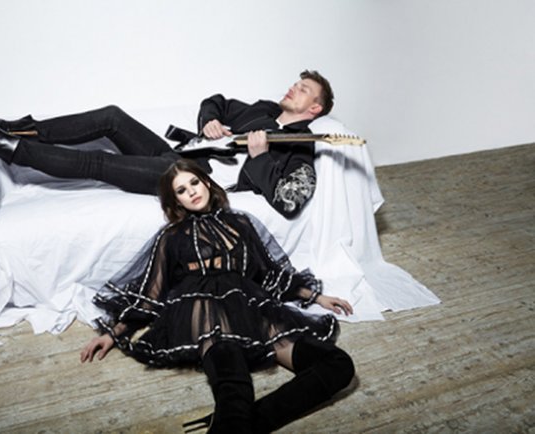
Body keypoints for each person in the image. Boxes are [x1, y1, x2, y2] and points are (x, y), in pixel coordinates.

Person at [80, 159, 354, 433]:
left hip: (251, 310)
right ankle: (235, 420)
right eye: (181, 190)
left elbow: (268, 273)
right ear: (176, 201)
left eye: (194, 183)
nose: (191, 191)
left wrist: (315, 297)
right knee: (235, 394)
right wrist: (114, 333)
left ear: (207, 183)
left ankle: (242, 423)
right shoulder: (171, 237)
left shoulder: (241, 223)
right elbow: (151, 294)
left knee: (338, 365)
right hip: (207, 319)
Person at [0, 70, 334, 218]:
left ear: (314, 108)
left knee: (100, 164)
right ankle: (6, 128)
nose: (292, 87)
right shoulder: (264, 109)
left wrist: (261, 157)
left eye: (302, 89)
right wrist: (210, 121)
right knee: (111, 116)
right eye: (295, 82)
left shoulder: (302, 143)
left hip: (198, 178)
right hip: (184, 154)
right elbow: (216, 101)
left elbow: (291, 201)